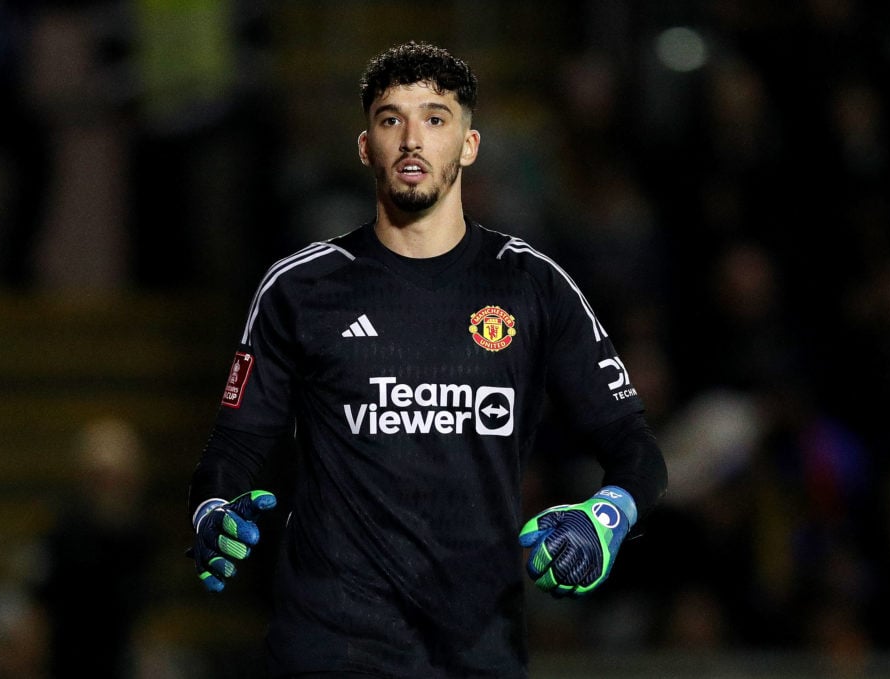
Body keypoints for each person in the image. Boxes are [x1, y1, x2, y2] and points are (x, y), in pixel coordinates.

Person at [187, 40, 668, 678]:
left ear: (469, 145)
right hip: (331, 651)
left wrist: (606, 518)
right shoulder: (298, 289)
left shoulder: (533, 285)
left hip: (477, 652)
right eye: (391, 119)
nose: (412, 139)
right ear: (366, 147)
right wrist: (213, 509)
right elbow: (233, 450)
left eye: (435, 118)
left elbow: (635, 449)